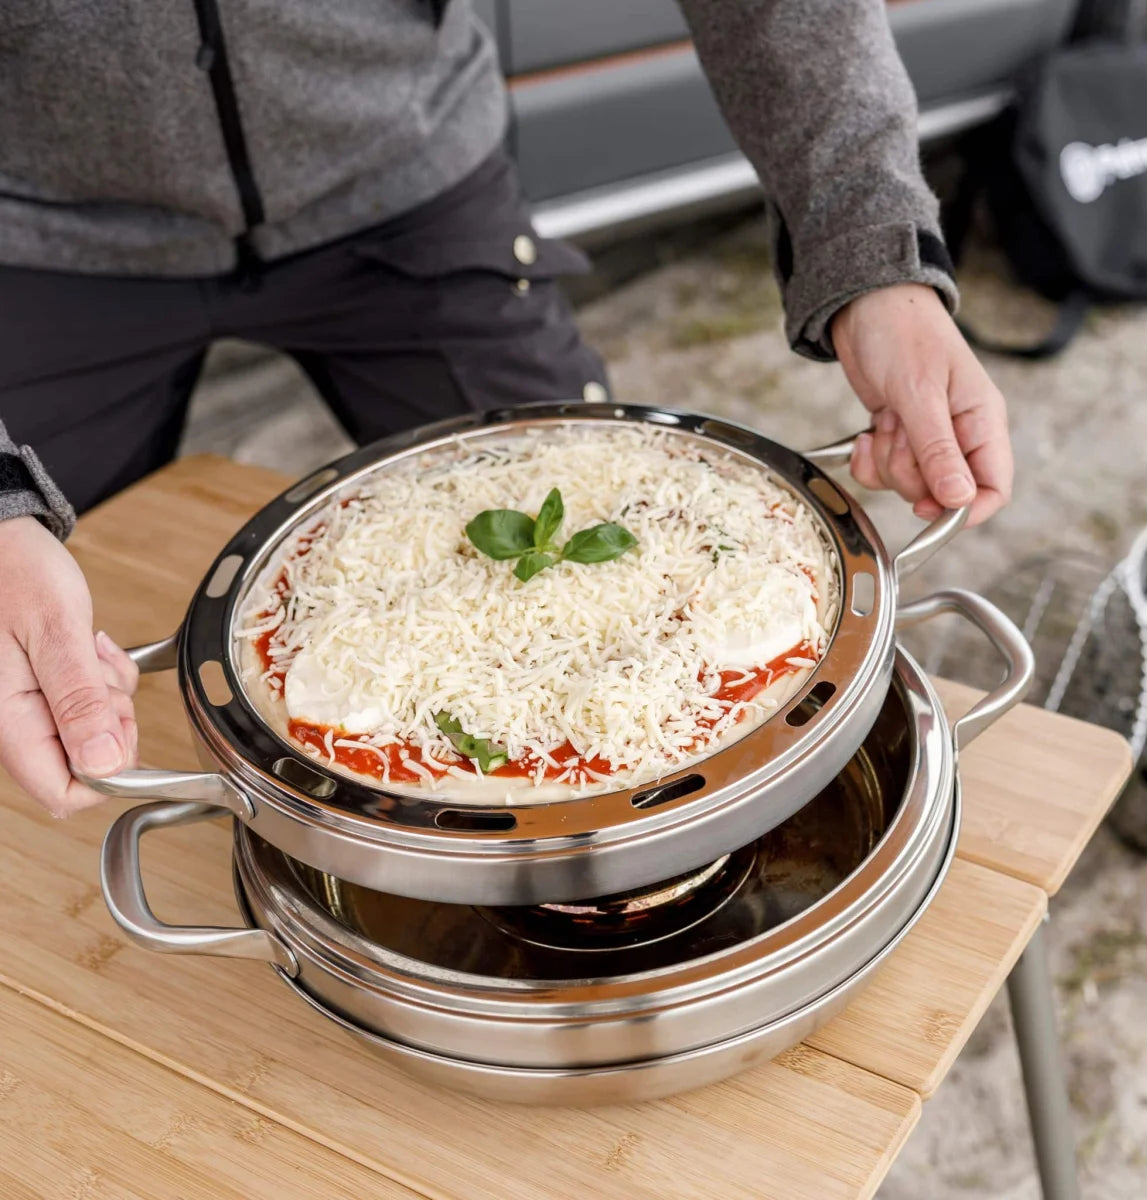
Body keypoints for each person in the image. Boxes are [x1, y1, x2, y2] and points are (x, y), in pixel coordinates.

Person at [0, 0, 1012, 818]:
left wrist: (877, 257)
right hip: (42, 227)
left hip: (404, 168)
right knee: (29, 679)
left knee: (614, 523)